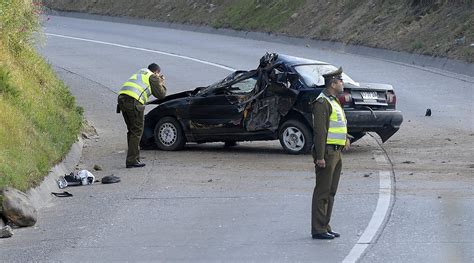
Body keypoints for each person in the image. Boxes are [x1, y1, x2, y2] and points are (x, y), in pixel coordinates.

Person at [310, 67, 350, 239]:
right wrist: (320, 157)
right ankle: (318, 229)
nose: (343, 84)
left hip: (337, 151)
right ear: (333, 84)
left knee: (331, 191)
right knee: (322, 191)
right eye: (340, 81)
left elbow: (338, 124)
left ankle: (325, 226)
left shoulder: (333, 100)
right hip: (327, 152)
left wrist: (346, 138)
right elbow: (320, 131)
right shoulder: (322, 102)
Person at [117, 63, 167, 168]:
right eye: (159, 74)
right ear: (156, 72)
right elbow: (161, 95)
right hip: (133, 102)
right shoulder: (153, 77)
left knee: (131, 130)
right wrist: (161, 82)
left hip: (122, 99)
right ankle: (132, 160)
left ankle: (133, 157)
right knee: (137, 130)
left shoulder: (142, 72)